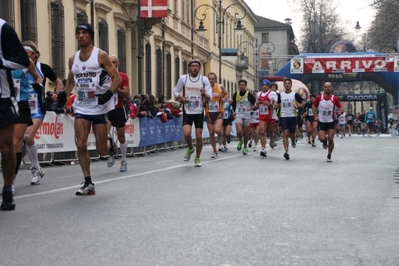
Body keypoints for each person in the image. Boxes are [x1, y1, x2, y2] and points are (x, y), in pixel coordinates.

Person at [65, 22, 121, 195]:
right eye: (78, 33)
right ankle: (88, 182)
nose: (81, 36)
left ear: (90, 36)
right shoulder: (73, 59)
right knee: (81, 144)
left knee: (101, 150)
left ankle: (112, 145)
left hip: (99, 108)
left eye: (84, 33)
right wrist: (62, 96)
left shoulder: (100, 56)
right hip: (81, 107)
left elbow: (117, 78)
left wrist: (108, 94)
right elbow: (71, 81)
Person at [22, 41, 63, 185]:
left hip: (38, 109)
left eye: (26, 54)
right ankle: (38, 167)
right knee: (26, 139)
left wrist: (56, 95)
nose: (24, 56)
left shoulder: (43, 68)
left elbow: (59, 82)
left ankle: (34, 169)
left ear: (34, 54)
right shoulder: (18, 68)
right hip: (21, 108)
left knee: (28, 137)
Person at [0, 18, 30, 210]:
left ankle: (8, 188)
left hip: (2, 97)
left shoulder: (3, 28)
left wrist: (1, 62)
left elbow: (22, 60)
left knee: (5, 148)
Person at [173, 59, 212, 167]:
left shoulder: (204, 80)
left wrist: (205, 94)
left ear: (199, 68)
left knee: (199, 137)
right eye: (193, 66)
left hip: (199, 111)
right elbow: (175, 90)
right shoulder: (183, 78)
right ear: (189, 67)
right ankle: (190, 148)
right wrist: (181, 97)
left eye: (197, 66)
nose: (195, 68)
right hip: (187, 110)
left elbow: (210, 96)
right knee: (186, 133)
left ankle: (198, 158)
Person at [12, 59, 42, 194]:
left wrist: (38, 86)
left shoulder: (25, 61)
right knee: (7, 145)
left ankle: (10, 182)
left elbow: (38, 77)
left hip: (25, 106)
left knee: (18, 142)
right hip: (5, 106)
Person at [107, 55, 131, 172]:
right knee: (104, 135)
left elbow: (127, 93)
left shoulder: (123, 77)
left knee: (121, 136)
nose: (111, 64)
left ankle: (123, 159)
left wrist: (115, 89)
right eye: (109, 62)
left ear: (118, 64)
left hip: (118, 108)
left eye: (113, 62)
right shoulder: (103, 76)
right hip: (106, 109)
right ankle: (112, 150)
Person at [312, 82, 343, 162]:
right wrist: (315, 115)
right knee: (322, 138)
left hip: (331, 121)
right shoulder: (319, 97)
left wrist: (340, 111)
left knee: (331, 138)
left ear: (331, 88)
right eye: (326, 87)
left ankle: (329, 155)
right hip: (321, 121)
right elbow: (314, 106)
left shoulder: (334, 98)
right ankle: (324, 142)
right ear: (323, 88)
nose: (327, 88)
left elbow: (340, 107)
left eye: (329, 87)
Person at [278, 78, 304, 160]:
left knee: (291, 134)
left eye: (289, 83)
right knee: (285, 133)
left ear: (291, 85)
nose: (287, 84)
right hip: (284, 116)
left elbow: (302, 103)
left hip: (292, 116)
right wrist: (274, 106)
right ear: (284, 85)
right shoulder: (281, 95)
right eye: (285, 83)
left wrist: (298, 106)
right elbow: (278, 104)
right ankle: (286, 152)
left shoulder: (295, 94)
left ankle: (293, 139)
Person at [205, 72, 228, 159]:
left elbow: (227, 94)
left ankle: (221, 135)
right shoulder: (205, 88)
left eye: (212, 79)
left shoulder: (220, 87)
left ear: (215, 79)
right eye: (209, 79)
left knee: (217, 130)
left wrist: (224, 99)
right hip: (209, 112)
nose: (211, 80)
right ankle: (215, 150)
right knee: (211, 133)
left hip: (218, 112)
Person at [231, 79, 256, 155]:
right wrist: (233, 111)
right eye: (240, 85)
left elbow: (255, 104)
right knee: (239, 131)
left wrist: (252, 108)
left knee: (245, 133)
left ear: (245, 86)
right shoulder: (236, 94)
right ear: (239, 86)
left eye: (243, 85)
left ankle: (245, 147)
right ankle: (240, 140)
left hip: (247, 115)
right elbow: (233, 104)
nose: (241, 86)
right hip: (239, 114)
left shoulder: (249, 94)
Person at [255, 79, 278, 157]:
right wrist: (256, 105)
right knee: (263, 132)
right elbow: (256, 103)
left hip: (271, 116)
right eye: (263, 85)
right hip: (262, 116)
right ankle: (263, 150)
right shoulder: (258, 94)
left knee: (270, 132)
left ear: (268, 86)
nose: (264, 86)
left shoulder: (272, 94)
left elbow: (276, 106)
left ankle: (272, 139)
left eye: (266, 85)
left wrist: (270, 105)